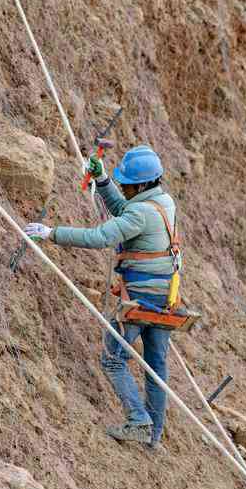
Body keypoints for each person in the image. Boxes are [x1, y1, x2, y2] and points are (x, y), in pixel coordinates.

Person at [25, 145, 181, 450]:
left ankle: (139, 421)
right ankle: (154, 435)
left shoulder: (140, 211)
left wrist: (50, 232)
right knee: (156, 367)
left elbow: (100, 237)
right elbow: (126, 212)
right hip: (166, 296)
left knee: (112, 360)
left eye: (126, 183)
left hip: (141, 298)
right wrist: (104, 181)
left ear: (141, 185)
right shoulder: (163, 202)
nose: (123, 187)